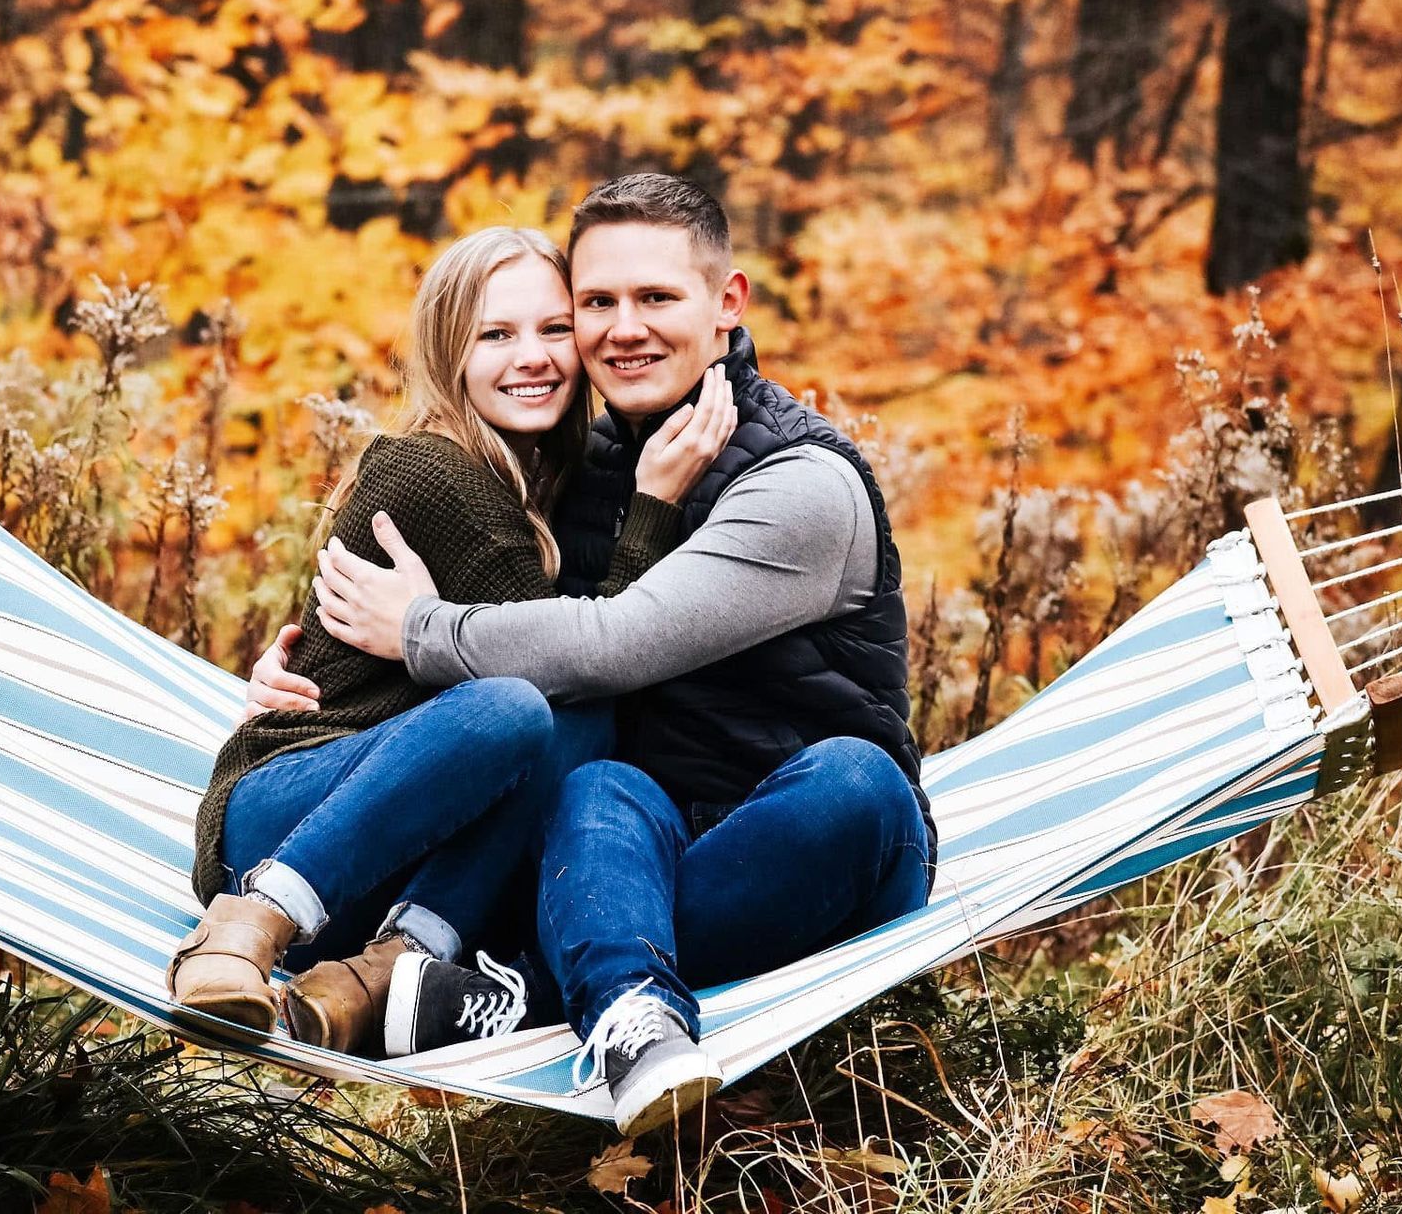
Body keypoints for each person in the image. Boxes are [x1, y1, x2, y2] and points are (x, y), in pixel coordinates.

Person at [267, 174, 936, 1134]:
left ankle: (525, 997)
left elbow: (615, 641)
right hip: (626, 858)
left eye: (656, 297)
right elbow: (523, 641)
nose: (625, 329)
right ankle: (633, 1020)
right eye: (597, 303)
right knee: (596, 787)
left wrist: (418, 630)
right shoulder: (587, 462)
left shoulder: (801, 484)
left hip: (806, 848)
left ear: (727, 302)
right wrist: (308, 675)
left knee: (856, 780)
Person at [169, 225, 738, 1059]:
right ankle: (244, 927)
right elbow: (590, 661)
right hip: (281, 829)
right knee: (522, 706)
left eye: (553, 329)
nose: (532, 357)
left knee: (565, 726)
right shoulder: (439, 476)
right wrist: (653, 508)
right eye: (495, 335)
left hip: (381, 871)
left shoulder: (544, 478)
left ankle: (388, 970)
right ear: (450, 353)